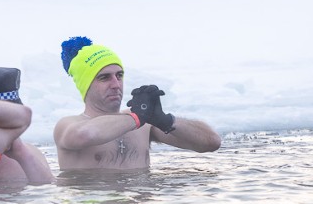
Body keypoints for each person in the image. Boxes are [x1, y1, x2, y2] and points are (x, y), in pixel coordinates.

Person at [53, 36, 221, 170]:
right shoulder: (68, 125)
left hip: (137, 203)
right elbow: (85, 134)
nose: (116, 84)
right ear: (85, 85)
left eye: (119, 75)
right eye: (104, 78)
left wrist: (166, 120)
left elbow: (211, 143)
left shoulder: (143, 124)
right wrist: (137, 117)